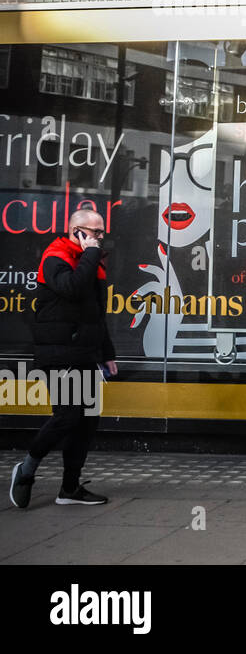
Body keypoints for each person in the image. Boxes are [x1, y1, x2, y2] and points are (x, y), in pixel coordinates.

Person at [9, 209, 117, 509]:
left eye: (101, 233)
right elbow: (72, 289)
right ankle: (27, 468)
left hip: (84, 352)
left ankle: (69, 488)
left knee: (87, 422)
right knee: (68, 416)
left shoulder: (90, 263)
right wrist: (91, 254)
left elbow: (95, 313)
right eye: (94, 232)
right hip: (59, 353)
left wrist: (107, 353)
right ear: (77, 231)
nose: (99, 238)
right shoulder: (55, 257)